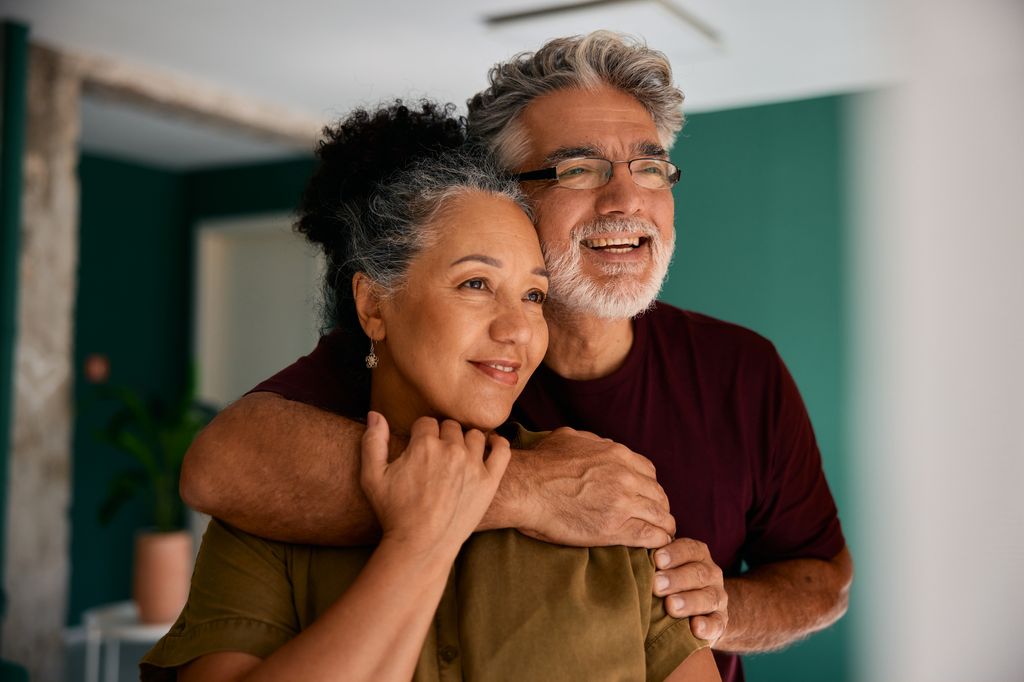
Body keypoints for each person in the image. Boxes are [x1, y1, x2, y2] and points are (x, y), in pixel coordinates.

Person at [180, 32, 852, 681]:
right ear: (506, 198)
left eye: (649, 166)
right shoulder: (422, 366)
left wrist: (712, 610)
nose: (625, 200)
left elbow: (821, 577)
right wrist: (533, 491)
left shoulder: (742, 370)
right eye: (578, 169)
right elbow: (223, 465)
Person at [141, 101, 720, 682]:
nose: (517, 329)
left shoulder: (603, 502)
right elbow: (219, 460)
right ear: (373, 304)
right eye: (475, 283)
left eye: (534, 296)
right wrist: (420, 541)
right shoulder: (267, 521)